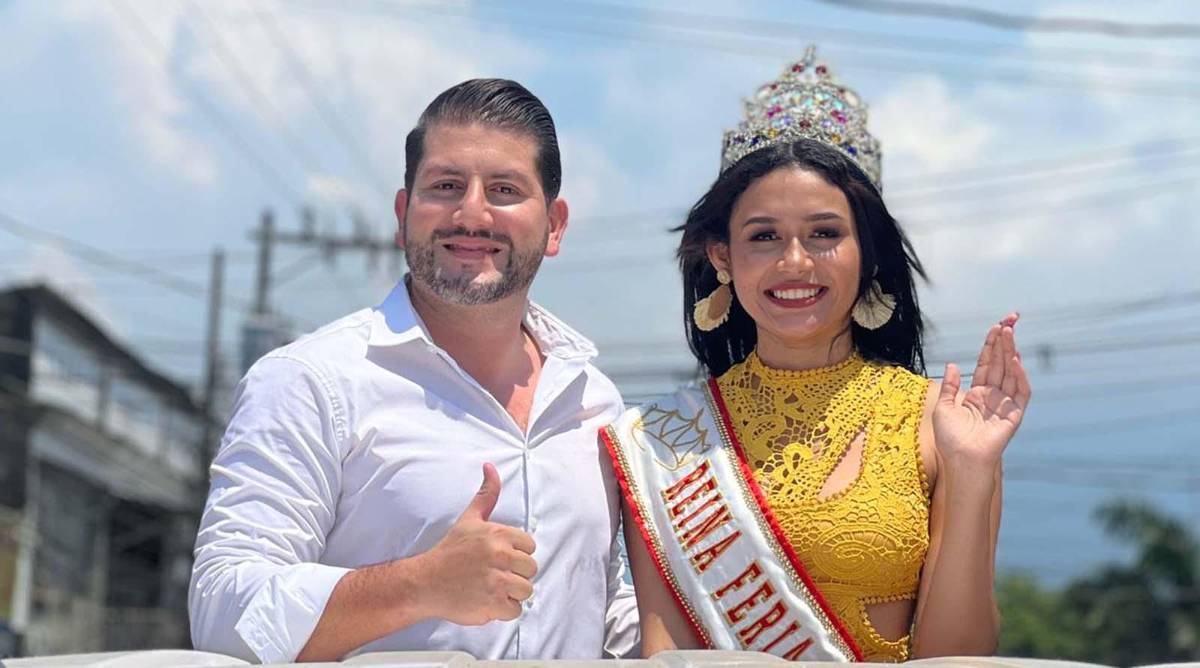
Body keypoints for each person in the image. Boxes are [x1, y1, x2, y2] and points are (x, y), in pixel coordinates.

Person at [602, 48, 1031, 663]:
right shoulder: (663, 443)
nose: (795, 262)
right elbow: (665, 652)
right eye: (764, 236)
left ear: (869, 253)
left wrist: (971, 472)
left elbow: (958, 655)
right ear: (722, 256)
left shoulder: (941, 424)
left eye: (825, 234)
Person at [189, 78, 639, 664]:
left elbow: (612, 613)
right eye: (446, 186)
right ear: (404, 214)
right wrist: (419, 585)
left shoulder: (594, 401)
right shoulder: (310, 381)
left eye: (504, 189)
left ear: (554, 225)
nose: (471, 213)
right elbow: (224, 611)